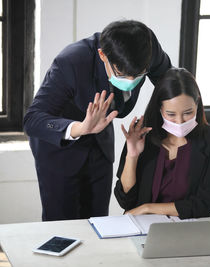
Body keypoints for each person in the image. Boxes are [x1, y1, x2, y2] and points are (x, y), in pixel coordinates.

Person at [23, 20, 172, 221]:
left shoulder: (148, 48)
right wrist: (80, 128)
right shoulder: (72, 62)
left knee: (99, 221)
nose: (131, 82)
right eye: (122, 74)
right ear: (103, 55)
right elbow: (32, 119)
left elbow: (172, 85)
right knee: (62, 226)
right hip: (59, 149)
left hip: (100, 143)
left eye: (138, 75)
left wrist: (180, 122)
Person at [114, 68, 210, 219]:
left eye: (188, 113)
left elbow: (207, 204)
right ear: (160, 108)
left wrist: (148, 208)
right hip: (141, 226)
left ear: (197, 103)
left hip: (187, 228)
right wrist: (132, 156)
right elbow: (125, 200)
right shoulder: (141, 134)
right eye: (171, 114)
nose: (179, 121)